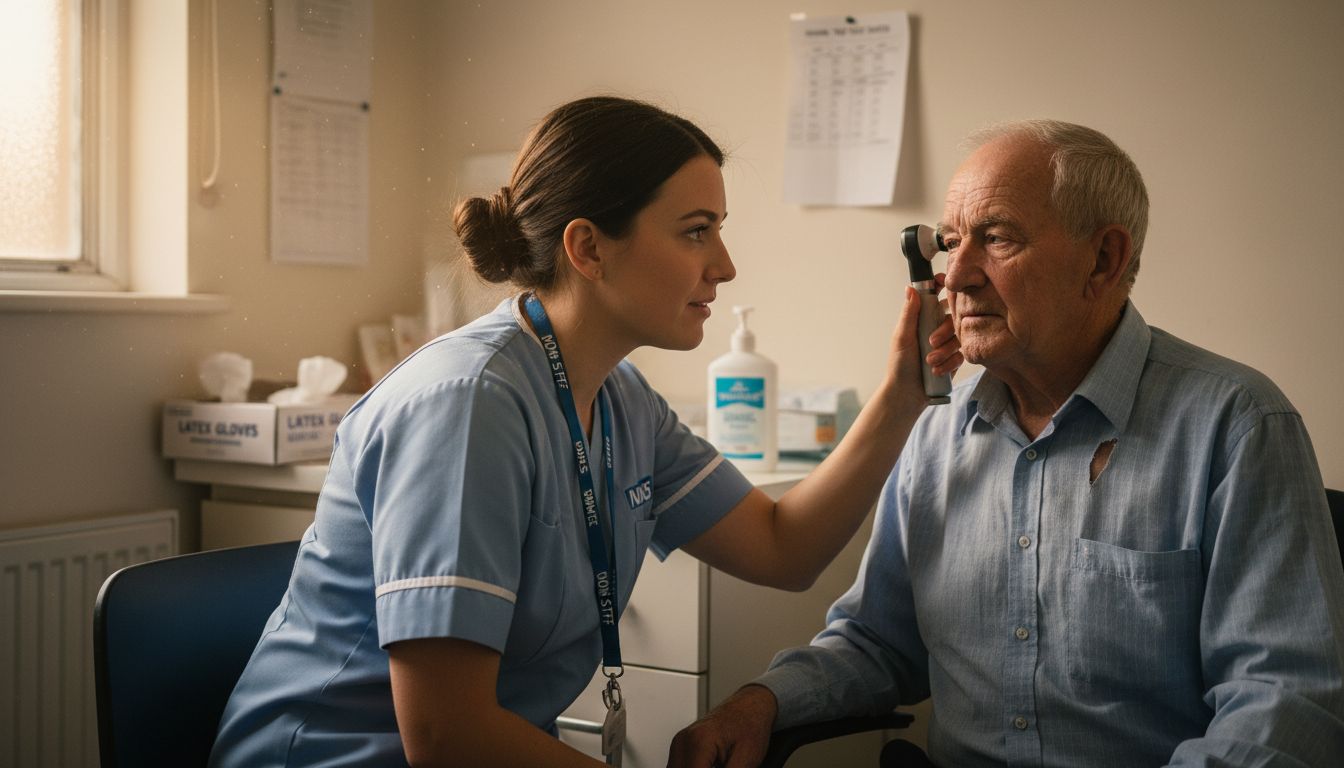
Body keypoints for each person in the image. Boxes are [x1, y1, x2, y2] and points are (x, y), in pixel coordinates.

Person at [207, 96, 960, 767]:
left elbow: (781, 548)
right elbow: (443, 735)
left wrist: (899, 397)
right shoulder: (467, 405)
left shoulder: (619, 398)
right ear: (589, 248)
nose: (725, 267)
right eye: (697, 232)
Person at [669, 120, 1344, 768]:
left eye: (994, 239)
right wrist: (756, 705)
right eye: (948, 241)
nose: (955, 277)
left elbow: (1285, 703)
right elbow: (877, 643)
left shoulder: (1237, 424)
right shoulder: (935, 426)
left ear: (1103, 259)